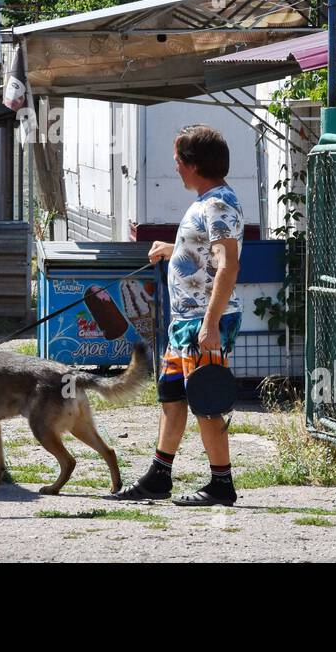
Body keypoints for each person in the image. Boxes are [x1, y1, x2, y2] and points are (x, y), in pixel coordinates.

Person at [111, 124, 243, 506]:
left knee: (206, 401)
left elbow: (227, 265)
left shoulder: (218, 205)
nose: (175, 168)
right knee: (171, 397)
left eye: (177, 161)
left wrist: (211, 324)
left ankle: (221, 485)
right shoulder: (206, 201)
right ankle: (159, 476)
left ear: (192, 164)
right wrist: (175, 249)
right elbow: (204, 251)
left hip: (204, 322)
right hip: (184, 322)